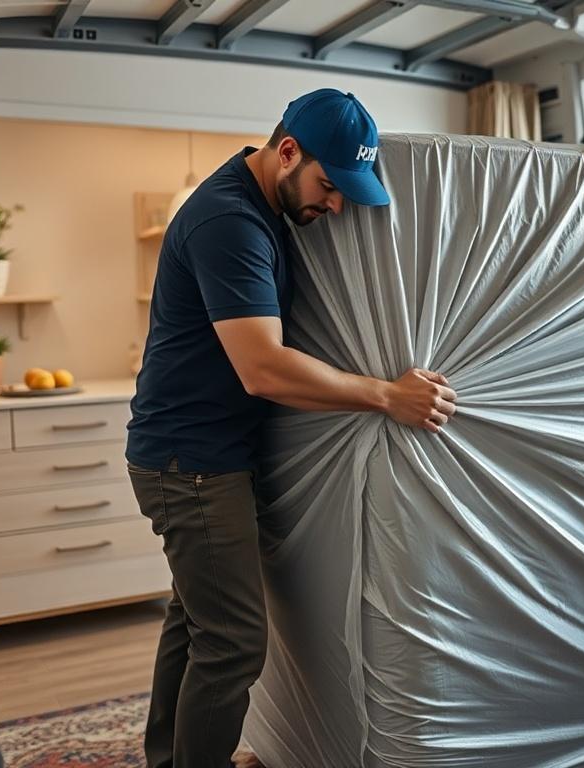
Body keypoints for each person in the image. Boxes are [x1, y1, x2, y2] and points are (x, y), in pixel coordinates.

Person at [125, 88, 457, 768]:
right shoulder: (229, 221)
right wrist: (387, 397)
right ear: (287, 151)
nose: (334, 206)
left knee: (195, 624)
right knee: (235, 641)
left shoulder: (264, 209)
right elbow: (263, 369)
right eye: (331, 186)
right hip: (191, 463)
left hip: (199, 453)